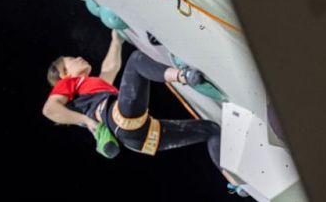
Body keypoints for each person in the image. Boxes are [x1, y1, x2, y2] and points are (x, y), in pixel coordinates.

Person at [43, 31, 223, 170]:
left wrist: (116, 40)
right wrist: (87, 121)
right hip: (119, 119)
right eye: (71, 60)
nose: (78, 58)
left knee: (210, 129)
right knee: (136, 60)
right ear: (65, 75)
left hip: (138, 138)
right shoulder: (68, 83)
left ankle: (236, 182)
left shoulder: (89, 89)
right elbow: (49, 110)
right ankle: (184, 75)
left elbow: (109, 70)